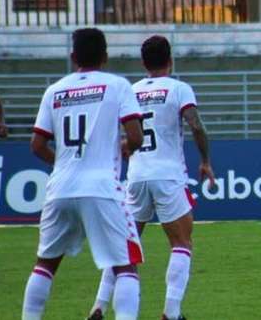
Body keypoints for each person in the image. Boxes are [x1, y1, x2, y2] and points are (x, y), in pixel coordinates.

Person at [88, 35, 215, 320]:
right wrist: (205, 161)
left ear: (144, 63)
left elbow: (114, 132)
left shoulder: (129, 91)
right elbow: (196, 125)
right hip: (168, 176)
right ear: (170, 60)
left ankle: (98, 306)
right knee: (181, 243)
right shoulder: (179, 89)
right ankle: (171, 312)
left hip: (136, 176)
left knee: (122, 248)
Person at [21, 28, 144, 320]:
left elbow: (37, 145)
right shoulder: (117, 85)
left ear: (73, 56)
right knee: (126, 265)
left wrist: (63, 163)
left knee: (45, 265)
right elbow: (136, 136)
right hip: (102, 187)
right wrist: (125, 147)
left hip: (60, 188)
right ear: (105, 56)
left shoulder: (54, 90)